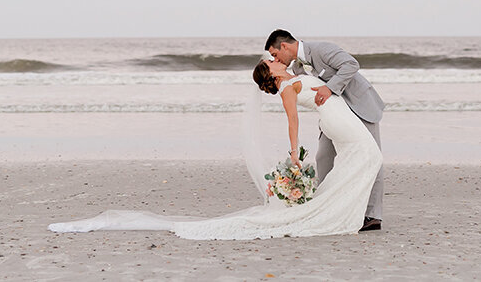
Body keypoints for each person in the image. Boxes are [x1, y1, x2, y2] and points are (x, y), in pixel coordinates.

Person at [47, 46, 383, 239]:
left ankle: (347, 210)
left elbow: (306, 70)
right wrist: (294, 153)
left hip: (339, 117)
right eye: (272, 61)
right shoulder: (286, 89)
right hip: (337, 120)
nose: (275, 59)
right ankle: (343, 212)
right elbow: (293, 123)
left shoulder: (292, 77)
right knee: (368, 157)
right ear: (271, 74)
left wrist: (294, 66)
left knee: (365, 159)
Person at [265, 29, 385, 232]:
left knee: (370, 155)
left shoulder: (321, 49)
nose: (276, 59)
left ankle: (372, 215)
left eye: (275, 54)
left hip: (359, 105)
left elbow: (351, 65)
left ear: (284, 46)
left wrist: (329, 88)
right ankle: (328, 207)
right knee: (323, 156)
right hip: (336, 116)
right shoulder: (297, 69)